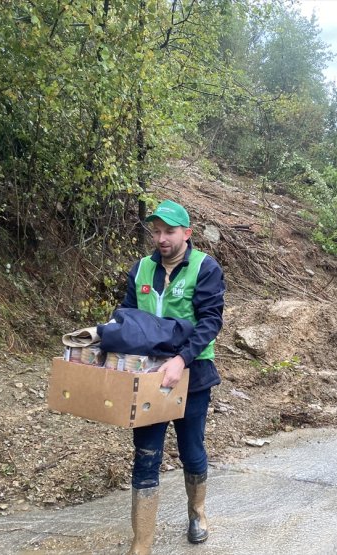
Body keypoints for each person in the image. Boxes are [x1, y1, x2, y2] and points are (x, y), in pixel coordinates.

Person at [119, 199, 226, 555]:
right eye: (157, 231)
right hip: (148, 375)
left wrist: (181, 359)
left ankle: (197, 513)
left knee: (191, 449)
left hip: (192, 374)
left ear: (187, 233)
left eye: (169, 231)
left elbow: (211, 320)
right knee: (145, 453)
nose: (161, 238)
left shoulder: (204, 268)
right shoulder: (141, 270)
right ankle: (142, 543)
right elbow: (129, 319)